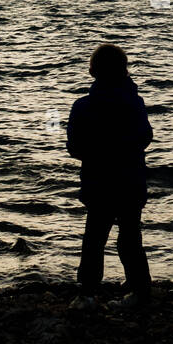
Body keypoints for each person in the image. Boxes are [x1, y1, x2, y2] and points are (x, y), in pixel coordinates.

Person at [65, 44, 154, 309]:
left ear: (92, 71)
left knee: (94, 239)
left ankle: (88, 294)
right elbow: (145, 137)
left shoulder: (83, 106)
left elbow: (74, 147)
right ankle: (140, 291)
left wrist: (98, 152)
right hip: (130, 181)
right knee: (130, 239)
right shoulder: (134, 102)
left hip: (99, 181)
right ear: (124, 71)